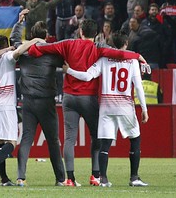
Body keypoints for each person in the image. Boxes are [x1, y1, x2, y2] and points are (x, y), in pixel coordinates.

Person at [26, 19, 148, 186]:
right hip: (89, 98)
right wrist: (138, 56)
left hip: (69, 97)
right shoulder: (99, 49)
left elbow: (39, 49)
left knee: (69, 138)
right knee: (97, 137)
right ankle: (96, 176)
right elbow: (120, 54)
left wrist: (32, 47)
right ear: (96, 34)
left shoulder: (67, 43)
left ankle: (70, 178)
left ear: (80, 32)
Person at [63, 31, 149, 187]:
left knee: (105, 144)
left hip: (106, 107)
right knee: (135, 139)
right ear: (126, 44)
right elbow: (138, 87)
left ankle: (103, 179)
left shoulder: (103, 59)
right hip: (125, 107)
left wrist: (69, 70)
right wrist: (144, 109)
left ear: (111, 44)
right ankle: (134, 177)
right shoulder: (132, 61)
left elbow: (87, 76)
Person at [0, 35, 42, 186]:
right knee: (11, 142)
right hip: (5, 105)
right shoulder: (7, 57)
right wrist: (35, 40)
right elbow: (20, 50)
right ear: (6, 44)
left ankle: (4, 179)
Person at [10, 10, 66, 186]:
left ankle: (20, 177)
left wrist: (20, 22)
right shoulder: (52, 54)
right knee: (53, 141)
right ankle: (60, 179)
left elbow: (15, 40)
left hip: (27, 101)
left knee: (26, 138)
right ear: (47, 36)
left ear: (32, 35)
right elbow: (66, 60)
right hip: (47, 102)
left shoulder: (25, 53)